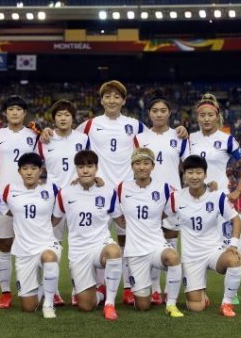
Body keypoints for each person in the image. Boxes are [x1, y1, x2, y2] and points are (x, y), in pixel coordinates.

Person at [40, 80, 188, 305]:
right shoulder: (89, 125)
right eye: (107, 96)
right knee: (92, 238)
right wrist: (47, 131)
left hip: (127, 190)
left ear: (123, 100)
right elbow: (66, 136)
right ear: (101, 100)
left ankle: (130, 287)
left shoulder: (136, 126)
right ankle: (92, 285)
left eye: (116, 97)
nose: (112, 100)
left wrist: (180, 130)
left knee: (127, 238)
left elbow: (159, 138)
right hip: (97, 190)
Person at [186, 93, 241, 304]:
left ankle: (231, 293)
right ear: (197, 117)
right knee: (198, 245)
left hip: (221, 200)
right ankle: (199, 289)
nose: (206, 119)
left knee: (229, 248)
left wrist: (238, 191)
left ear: (217, 116)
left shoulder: (227, 139)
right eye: (202, 115)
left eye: (210, 115)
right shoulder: (189, 139)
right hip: (196, 200)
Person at [163, 155, 241, 317]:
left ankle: (227, 304)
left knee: (233, 260)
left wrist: (233, 245)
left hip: (214, 252)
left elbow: (236, 220)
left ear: (205, 174)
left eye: (199, 172)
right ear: (184, 175)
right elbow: (162, 218)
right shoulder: (175, 198)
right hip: (191, 257)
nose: (194, 177)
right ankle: (201, 294)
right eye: (190, 172)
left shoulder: (216, 196)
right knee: (196, 307)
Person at [52, 150, 123, 320]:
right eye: (81, 166)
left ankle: (109, 305)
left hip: (100, 245)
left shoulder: (107, 191)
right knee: (85, 305)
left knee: (114, 252)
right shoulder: (65, 193)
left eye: (90, 166)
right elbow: (53, 221)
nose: (85, 170)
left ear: (96, 168)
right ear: (76, 169)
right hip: (78, 251)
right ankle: (100, 294)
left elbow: (121, 221)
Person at [117, 148, 184, 317]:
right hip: (135, 251)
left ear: (153, 166)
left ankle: (171, 304)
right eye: (137, 163)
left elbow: (180, 202)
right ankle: (142, 291)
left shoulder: (164, 189)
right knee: (143, 306)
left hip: (156, 246)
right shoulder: (121, 188)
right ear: (132, 166)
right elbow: (107, 204)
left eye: (146, 163)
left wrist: (209, 186)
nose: (142, 167)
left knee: (173, 257)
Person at [134, 92, 187, 305]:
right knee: (152, 241)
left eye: (163, 110)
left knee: (171, 240)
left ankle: (168, 288)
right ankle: (154, 288)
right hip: (147, 195)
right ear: (148, 114)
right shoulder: (140, 138)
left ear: (169, 113)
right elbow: (136, 166)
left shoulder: (180, 136)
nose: (159, 114)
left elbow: (188, 165)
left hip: (173, 196)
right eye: (155, 111)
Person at [36, 99, 90, 305]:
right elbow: (33, 166)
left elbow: (91, 164)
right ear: (54, 118)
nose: (63, 118)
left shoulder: (83, 139)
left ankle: (78, 288)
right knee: (52, 245)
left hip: (78, 197)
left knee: (79, 245)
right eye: (59, 115)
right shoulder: (45, 140)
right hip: (52, 198)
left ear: (73, 118)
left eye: (67, 114)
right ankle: (52, 291)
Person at [0, 95, 39, 309]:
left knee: (30, 244)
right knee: (5, 245)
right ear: (5, 113)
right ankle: (6, 292)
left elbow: (40, 164)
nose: (15, 112)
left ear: (24, 113)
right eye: (11, 109)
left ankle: (31, 288)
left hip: (29, 196)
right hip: (3, 197)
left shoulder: (34, 135)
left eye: (19, 109)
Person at [0, 152, 62, 318]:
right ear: (19, 171)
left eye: (33, 168)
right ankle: (43, 288)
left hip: (47, 245)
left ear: (40, 170)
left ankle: (49, 304)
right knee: (28, 307)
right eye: (25, 168)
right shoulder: (9, 190)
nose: (29, 172)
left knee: (49, 257)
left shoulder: (52, 188)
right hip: (24, 251)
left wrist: (96, 181)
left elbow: (73, 194)